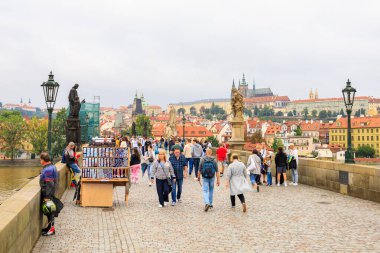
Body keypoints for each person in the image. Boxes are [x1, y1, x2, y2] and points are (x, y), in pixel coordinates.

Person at [39, 152, 58, 236]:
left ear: (43, 160)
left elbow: (49, 184)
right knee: (49, 210)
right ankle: (49, 227)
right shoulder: (52, 167)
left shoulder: (47, 169)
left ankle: (52, 229)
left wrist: (46, 196)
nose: (40, 161)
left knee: (49, 211)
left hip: (48, 193)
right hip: (50, 192)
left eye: (40, 159)